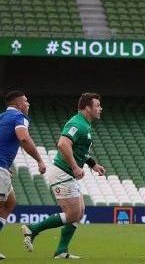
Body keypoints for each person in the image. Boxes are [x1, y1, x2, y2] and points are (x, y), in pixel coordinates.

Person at [22, 93, 106, 259]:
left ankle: (61, 251)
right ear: (87, 108)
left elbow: (79, 150)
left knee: (79, 212)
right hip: (62, 173)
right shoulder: (77, 123)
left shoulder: (85, 125)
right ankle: (32, 229)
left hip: (67, 174)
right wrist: (75, 166)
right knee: (73, 214)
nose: (100, 108)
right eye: (97, 105)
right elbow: (62, 143)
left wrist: (93, 165)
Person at [0, 91, 47, 260]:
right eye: (26, 101)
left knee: (9, 203)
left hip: (3, 166)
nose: (28, 104)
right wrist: (40, 160)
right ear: (19, 104)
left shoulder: (2, 117)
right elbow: (24, 138)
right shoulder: (19, 117)